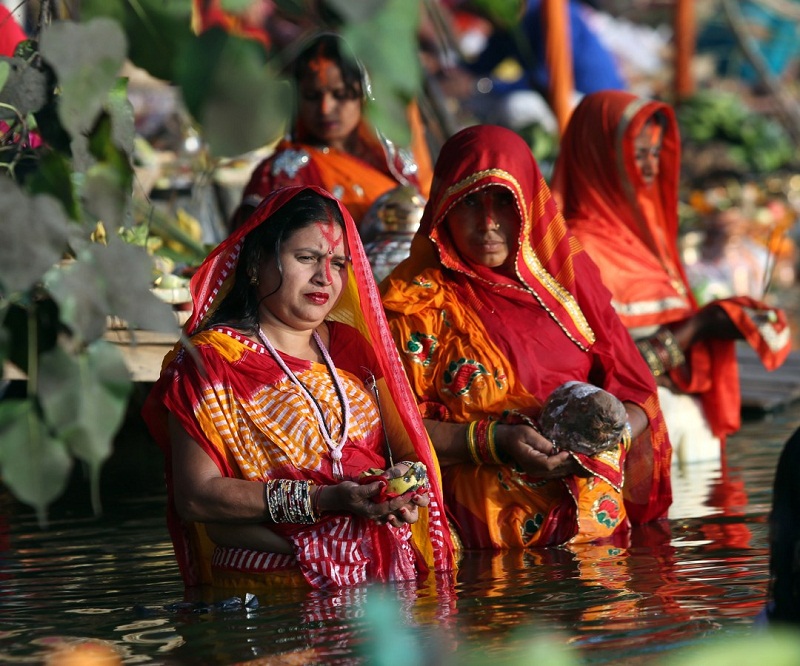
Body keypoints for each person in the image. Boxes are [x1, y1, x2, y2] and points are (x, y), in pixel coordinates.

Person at [143, 185, 454, 591]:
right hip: (270, 588)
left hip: (378, 575)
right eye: (306, 257)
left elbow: (410, 452)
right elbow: (197, 497)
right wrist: (325, 501)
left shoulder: (350, 346)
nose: (325, 277)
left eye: (339, 264)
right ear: (256, 262)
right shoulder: (210, 363)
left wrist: (401, 489)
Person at [380, 124, 672, 550]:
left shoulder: (568, 286)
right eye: (470, 202)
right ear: (443, 207)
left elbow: (637, 390)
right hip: (488, 553)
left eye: (504, 200)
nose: (488, 223)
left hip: (596, 536)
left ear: (530, 204)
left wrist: (598, 437)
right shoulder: (414, 306)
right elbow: (388, 430)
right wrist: (495, 442)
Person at [551, 90, 792, 465]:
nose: (650, 168)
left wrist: (724, 320)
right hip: (631, 447)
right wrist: (698, 328)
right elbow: (594, 379)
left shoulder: (642, 241)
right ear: (599, 156)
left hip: (678, 434)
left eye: (654, 154)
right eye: (637, 155)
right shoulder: (576, 251)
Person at [229, 33, 432, 235]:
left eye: (340, 95)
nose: (325, 108)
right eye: (312, 96)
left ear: (365, 96)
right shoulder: (282, 175)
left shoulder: (397, 159)